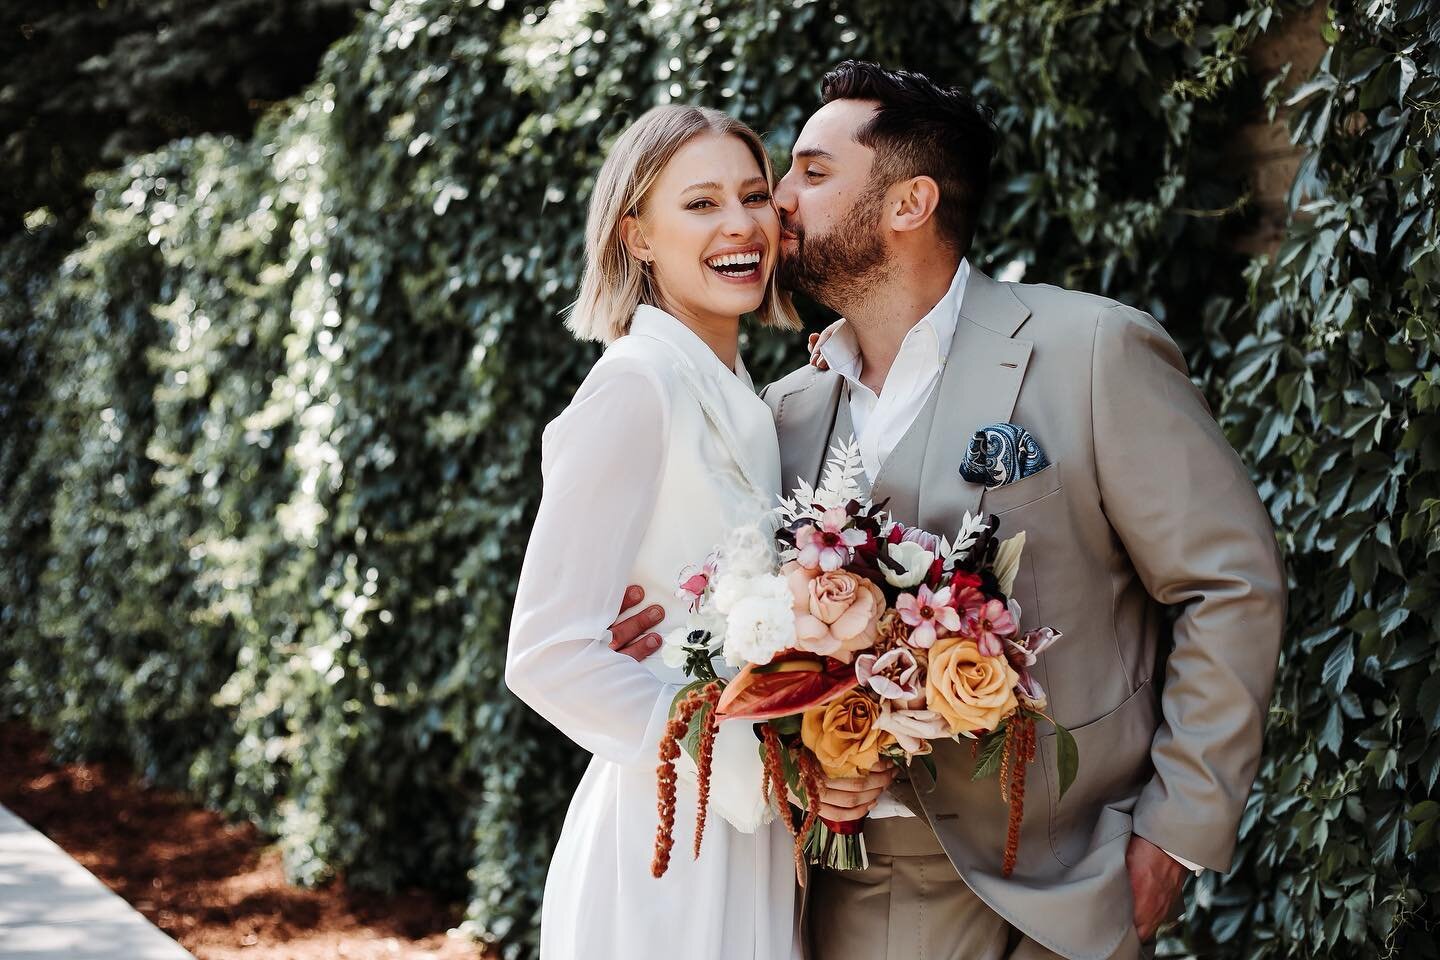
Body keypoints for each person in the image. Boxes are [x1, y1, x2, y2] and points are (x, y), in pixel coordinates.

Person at [617, 60, 1286, 960]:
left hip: (1066, 885)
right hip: (844, 886)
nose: (776, 202)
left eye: (812, 173)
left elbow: (1228, 582)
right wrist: (658, 643)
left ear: (909, 203)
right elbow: (726, 610)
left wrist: (1175, 833)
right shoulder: (781, 413)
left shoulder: (1091, 351)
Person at [504, 104, 804, 960]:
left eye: (753, 195)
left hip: (752, 833)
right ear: (637, 235)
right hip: (669, 833)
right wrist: (743, 741)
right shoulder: (636, 386)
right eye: (701, 204)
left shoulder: (741, 393)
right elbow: (547, 652)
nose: (741, 223)